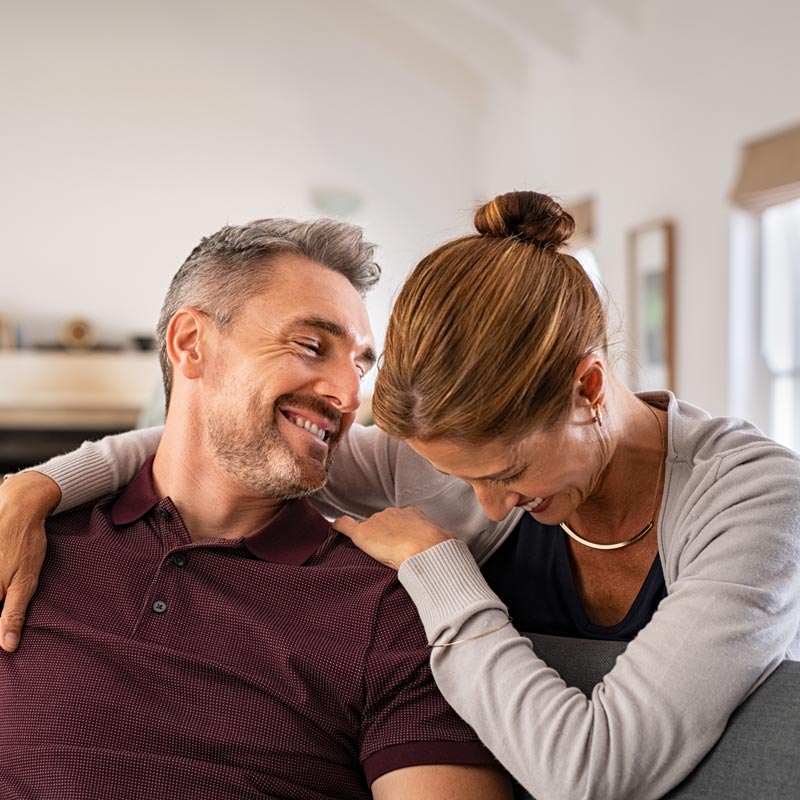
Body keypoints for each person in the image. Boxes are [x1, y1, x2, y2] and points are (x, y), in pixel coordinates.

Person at [2, 192, 799, 800]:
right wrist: (39, 485)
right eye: (462, 475)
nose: (485, 504)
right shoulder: (424, 470)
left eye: (507, 474)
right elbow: (223, 443)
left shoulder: (752, 501)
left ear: (588, 385)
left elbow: (590, 772)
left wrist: (438, 567)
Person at [0, 218, 510, 800]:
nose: (349, 398)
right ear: (191, 344)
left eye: (360, 366)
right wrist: (32, 488)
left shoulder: (386, 610)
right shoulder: (24, 547)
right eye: (311, 346)